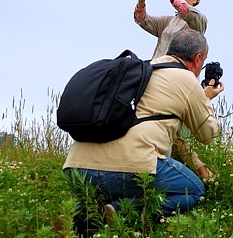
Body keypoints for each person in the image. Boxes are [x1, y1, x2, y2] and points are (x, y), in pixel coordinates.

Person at [63, 29, 224, 222]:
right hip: (130, 169)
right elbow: (207, 134)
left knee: (110, 189)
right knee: (195, 191)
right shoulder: (186, 80)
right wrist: (205, 99)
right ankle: (120, 211)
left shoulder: (139, 71)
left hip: (76, 168)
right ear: (198, 59)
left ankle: (79, 220)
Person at [135, 0, 207, 59]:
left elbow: (187, 11)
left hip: (178, 70)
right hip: (156, 67)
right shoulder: (168, 21)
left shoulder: (200, 20)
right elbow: (142, 20)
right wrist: (141, 1)